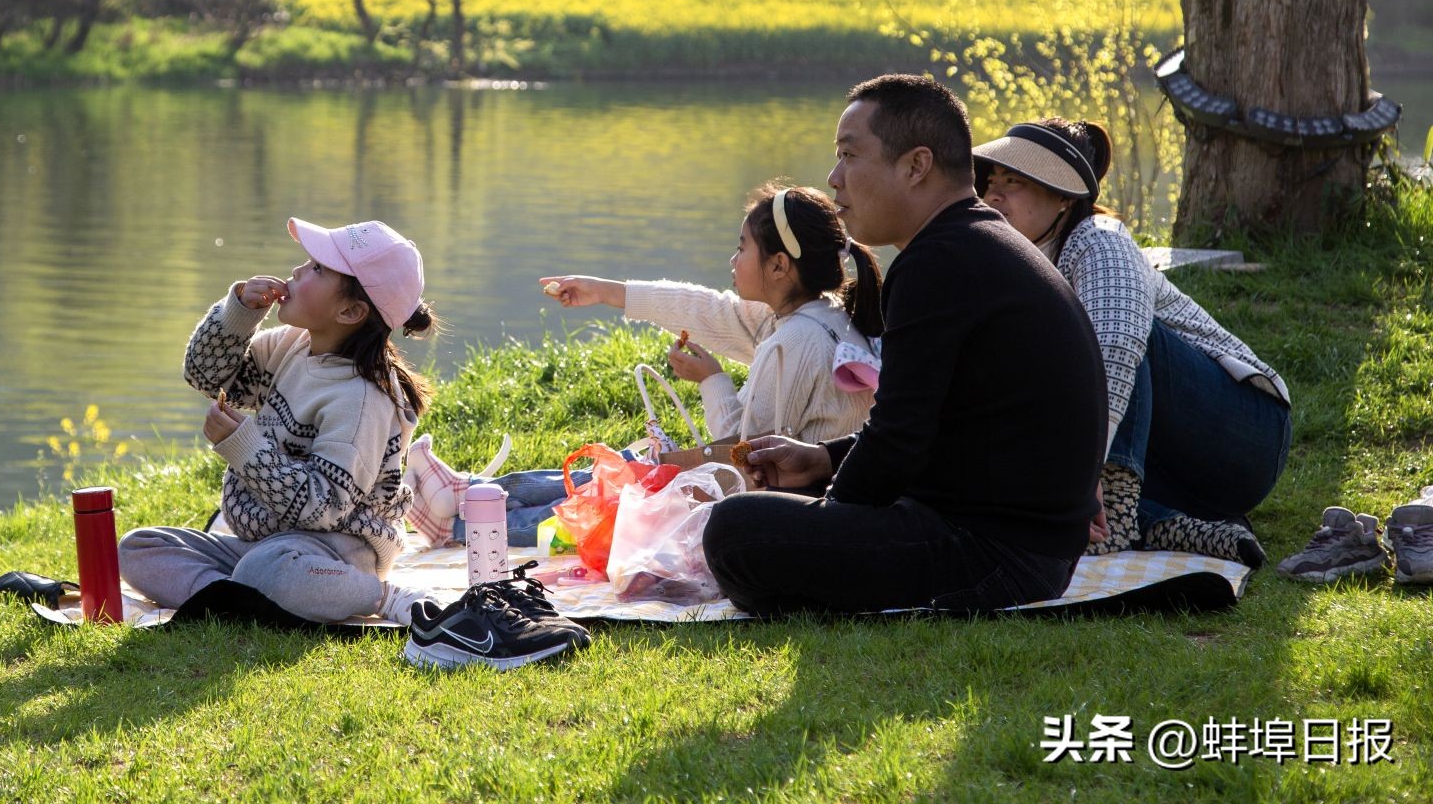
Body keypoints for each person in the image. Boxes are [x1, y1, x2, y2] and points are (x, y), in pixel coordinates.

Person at [701, 74, 1107, 615]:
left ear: (916, 165)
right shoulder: (974, 242)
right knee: (766, 520)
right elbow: (930, 427)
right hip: (1031, 551)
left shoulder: (938, 261)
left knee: (735, 531)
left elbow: (898, 444)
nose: (834, 178)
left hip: (996, 558)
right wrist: (822, 460)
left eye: (849, 155)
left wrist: (830, 517)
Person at [972, 117, 1291, 566]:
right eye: (990, 183)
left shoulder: (1100, 242)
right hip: (1171, 467)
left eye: (1014, 182)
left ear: (1064, 196)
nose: (993, 196)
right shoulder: (1018, 265)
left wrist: (1079, 477)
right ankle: (1168, 524)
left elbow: (1118, 349)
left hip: (1246, 434)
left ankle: (1118, 510)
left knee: (1101, 333)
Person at [118, 218, 442, 625]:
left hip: (335, 552)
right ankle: (238, 597)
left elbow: (322, 508)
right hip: (267, 543)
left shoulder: (361, 399)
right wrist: (238, 314)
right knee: (139, 548)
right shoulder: (291, 346)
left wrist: (244, 446)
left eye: (318, 269)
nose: (298, 271)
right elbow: (207, 375)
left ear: (350, 310)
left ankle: (381, 597)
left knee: (269, 570)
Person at [541, 182, 885, 443]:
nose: (733, 261)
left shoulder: (796, 341)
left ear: (779, 265)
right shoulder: (819, 315)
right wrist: (605, 291)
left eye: (742, 247)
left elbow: (741, 456)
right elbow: (711, 312)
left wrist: (711, 380)